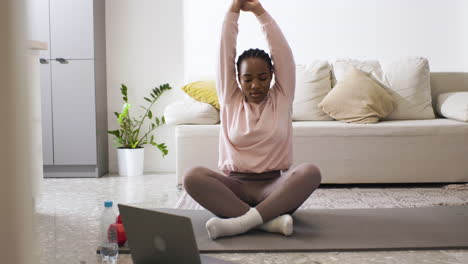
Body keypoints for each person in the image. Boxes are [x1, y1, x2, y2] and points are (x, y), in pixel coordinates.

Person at [183, 0, 322, 240]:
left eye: (262, 77)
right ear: (237, 78)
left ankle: (242, 221)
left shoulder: (282, 97)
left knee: (311, 172)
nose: (255, 85)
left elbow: (282, 53)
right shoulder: (230, 99)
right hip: (234, 188)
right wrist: (233, 10)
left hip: (273, 188)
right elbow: (224, 51)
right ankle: (267, 222)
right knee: (192, 177)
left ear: (272, 77)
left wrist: (259, 11)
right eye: (247, 79)